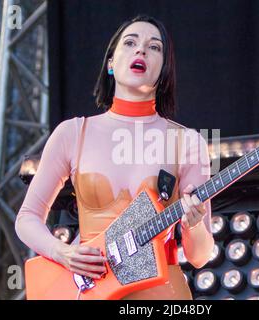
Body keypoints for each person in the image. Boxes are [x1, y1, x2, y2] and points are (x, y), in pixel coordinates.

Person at [15, 14, 214, 300]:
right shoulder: (73, 133)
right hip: (90, 290)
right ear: (111, 63)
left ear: (165, 70)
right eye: (130, 42)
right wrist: (64, 252)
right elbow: (27, 219)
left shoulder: (187, 142)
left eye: (154, 47)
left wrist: (193, 224)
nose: (141, 50)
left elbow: (201, 256)